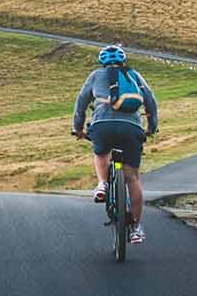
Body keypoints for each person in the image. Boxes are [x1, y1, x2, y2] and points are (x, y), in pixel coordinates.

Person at [71, 45, 159, 244]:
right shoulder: (134, 75)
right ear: (123, 61)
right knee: (133, 178)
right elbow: (151, 102)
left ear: (102, 62)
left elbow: (81, 103)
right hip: (132, 128)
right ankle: (136, 228)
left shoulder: (95, 75)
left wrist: (78, 129)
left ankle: (103, 183)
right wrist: (152, 128)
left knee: (101, 152)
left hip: (103, 125)